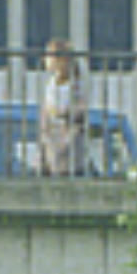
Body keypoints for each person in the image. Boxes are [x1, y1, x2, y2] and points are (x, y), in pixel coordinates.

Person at [36, 39, 86, 178]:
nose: (45, 60)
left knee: (64, 165)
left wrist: (62, 112)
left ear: (61, 60)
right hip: (51, 136)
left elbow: (77, 108)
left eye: (49, 56)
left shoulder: (75, 85)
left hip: (66, 137)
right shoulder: (51, 82)